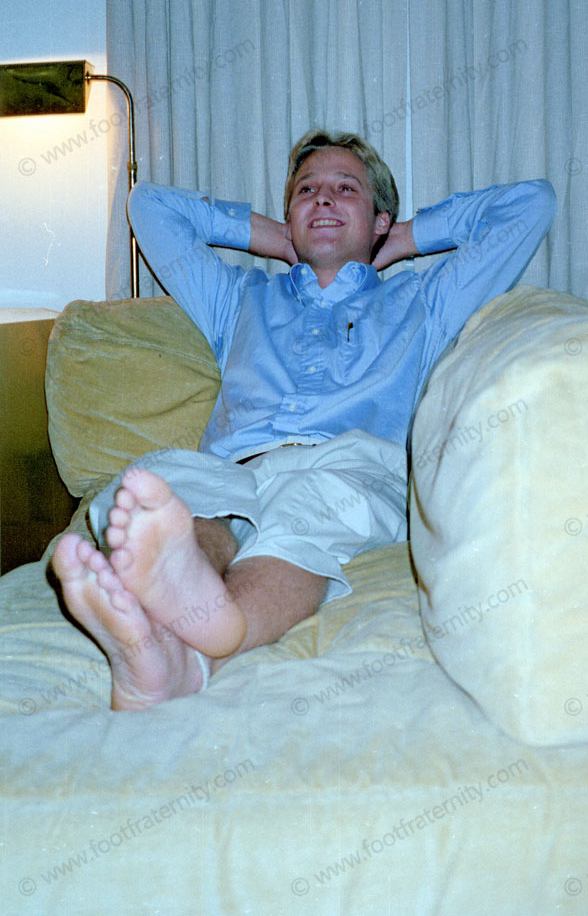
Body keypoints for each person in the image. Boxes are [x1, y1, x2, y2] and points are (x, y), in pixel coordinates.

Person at [51, 130, 556, 711]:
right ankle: (169, 634)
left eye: (347, 190)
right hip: (234, 467)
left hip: (352, 466)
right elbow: (150, 206)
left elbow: (531, 204)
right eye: (306, 192)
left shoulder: (425, 301)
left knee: (305, 513)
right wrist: (283, 239)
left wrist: (400, 240)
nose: (323, 199)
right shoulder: (236, 297)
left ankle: (201, 653)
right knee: (170, 488)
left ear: (380, 219)